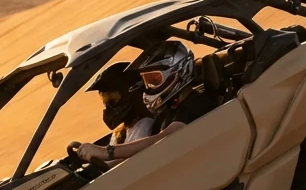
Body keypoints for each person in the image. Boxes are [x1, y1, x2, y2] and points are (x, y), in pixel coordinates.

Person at [71, 40, 217, 163]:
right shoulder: (170, 109)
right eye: (147, 81)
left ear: (178, 71)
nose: (149, 88)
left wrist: (106, 152)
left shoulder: (195, 103)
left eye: (155, 80)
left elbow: (165, 139)